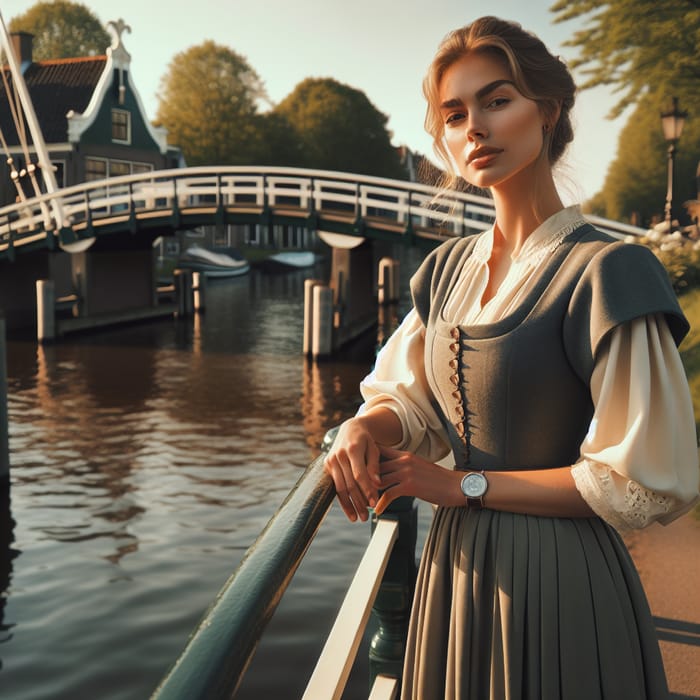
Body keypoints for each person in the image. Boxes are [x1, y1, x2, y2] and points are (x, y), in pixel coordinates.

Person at [323, 16, 700, 700]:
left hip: (561, 576)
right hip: (455, 570)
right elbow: (407, 401)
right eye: (455, 113)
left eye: (497, 101)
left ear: (547, 110)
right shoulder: (445, 272)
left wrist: (462, 487)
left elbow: (642, 479)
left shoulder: (608, 271)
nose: (475, 128)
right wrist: (362, 428)